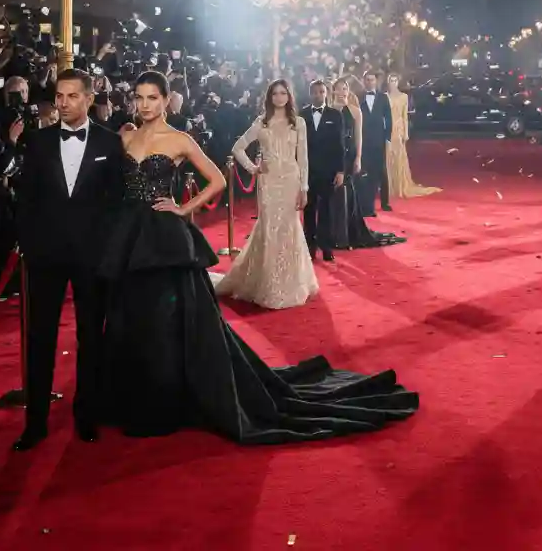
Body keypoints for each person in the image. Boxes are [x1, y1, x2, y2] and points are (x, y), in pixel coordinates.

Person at [98, 70, 418, 442]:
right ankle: (130, 392)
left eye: (152, 98)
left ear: (166, 100)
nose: (144, 105)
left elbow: (217, 179)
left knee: (167, 317)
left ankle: (169, 393)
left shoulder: (179, 139)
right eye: (138, 98)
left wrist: (185, 209)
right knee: (133, 313)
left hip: (166, 238)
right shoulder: (126, 137)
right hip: (130, 237)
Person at [12, 69, 125, 451]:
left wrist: (106, 247)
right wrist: (30, 244)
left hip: (92, 257)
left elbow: (117, 204)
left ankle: (86, 416)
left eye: (72, 96)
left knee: (91, 338)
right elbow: (25, 199)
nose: (62, 103)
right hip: (46, 257)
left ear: (89, 99)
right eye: (59, 96)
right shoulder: (38, 141)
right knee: (40, 338)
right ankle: (35, 422)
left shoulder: (110, 142)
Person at [212, 79, 318, 308]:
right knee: (269, 227)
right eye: (275, 94)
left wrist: (304, 188)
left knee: (289, 228)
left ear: (289, 96)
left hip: (291, 180)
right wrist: (254, 168)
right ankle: (268, 285)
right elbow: (238, 147)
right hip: (268, 183)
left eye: (283, 93)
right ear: (269, 97)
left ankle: (292, 283)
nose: (279, 97)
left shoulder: (298, 123)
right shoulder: (262, 123)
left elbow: (304, 158)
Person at [330, 79, 407, 249]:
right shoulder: (328, 112)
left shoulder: (356, 112)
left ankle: (346, 234)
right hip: (331, 158)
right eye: (339, 89)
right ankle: (332, 233)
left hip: (349, 158)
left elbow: (359, 138)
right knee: (331, 196)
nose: (342, 92)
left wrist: (358, 157)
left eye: (345, 88)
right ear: (333, 91)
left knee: (348, 194)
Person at [297, 78, 345, 263]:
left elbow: (340, 144)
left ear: (327, 94)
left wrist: (340, 170)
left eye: (321, 92)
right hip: (307, 171)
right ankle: (310, 247)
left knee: (326, 210)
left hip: (328, 171)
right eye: (315, 92)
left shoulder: (335, 115)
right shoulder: (301, 115)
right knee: (308, 210)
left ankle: (326, 247)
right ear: (310, 94)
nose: (318, 95)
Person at [385, 73, 440, 199]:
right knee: (388, 157)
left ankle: (400, 185)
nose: (393, 83)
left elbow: (405, 116)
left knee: (399, 157)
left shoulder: (404, 97)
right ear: (388, 82)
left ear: (398, 82)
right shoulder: (384, 97)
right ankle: (390, 186)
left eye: (395, 80)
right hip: (387, 129)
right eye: (391, 80)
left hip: (398, 129)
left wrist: (405, 133)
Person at [357, 70, 392, 216]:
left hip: (379, 140)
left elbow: (388, 118)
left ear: (376, 81)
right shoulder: (358, 97)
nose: (369, 82)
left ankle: (384, 202)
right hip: (363, 140)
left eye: (372, 80)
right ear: (364, 81)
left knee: (381, 172)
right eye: (367, 80)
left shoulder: (383, 98)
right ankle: (365, 205)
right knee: (364, 174)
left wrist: (387, 138)